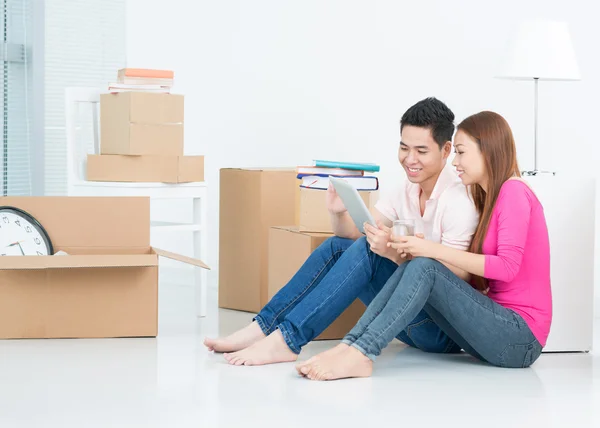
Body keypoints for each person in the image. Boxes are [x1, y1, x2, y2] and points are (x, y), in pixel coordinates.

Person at [204, 97, 479, 366]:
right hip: (403, 315)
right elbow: (358, 235)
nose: (410, 159)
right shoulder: (405, 190)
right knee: (339, 246)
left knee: (368, 252)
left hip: (439, 332)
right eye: (404, 148)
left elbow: (456, 279)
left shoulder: (458, 200)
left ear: (445, 150)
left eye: (421, 151)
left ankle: (288, 341)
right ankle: (262, 328)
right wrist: (338, 212)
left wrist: (397, 255)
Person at [298, 111, 552, 381]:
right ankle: (351, 347)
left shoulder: (514, 191)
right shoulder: (490, 197)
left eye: (462, 153)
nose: (455, 162)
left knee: (425, 265)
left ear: (487, 151)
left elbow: (508, 268)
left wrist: (430, 250)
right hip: (494, 327)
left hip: (520, 338)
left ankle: (360, 351)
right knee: (416, 263)